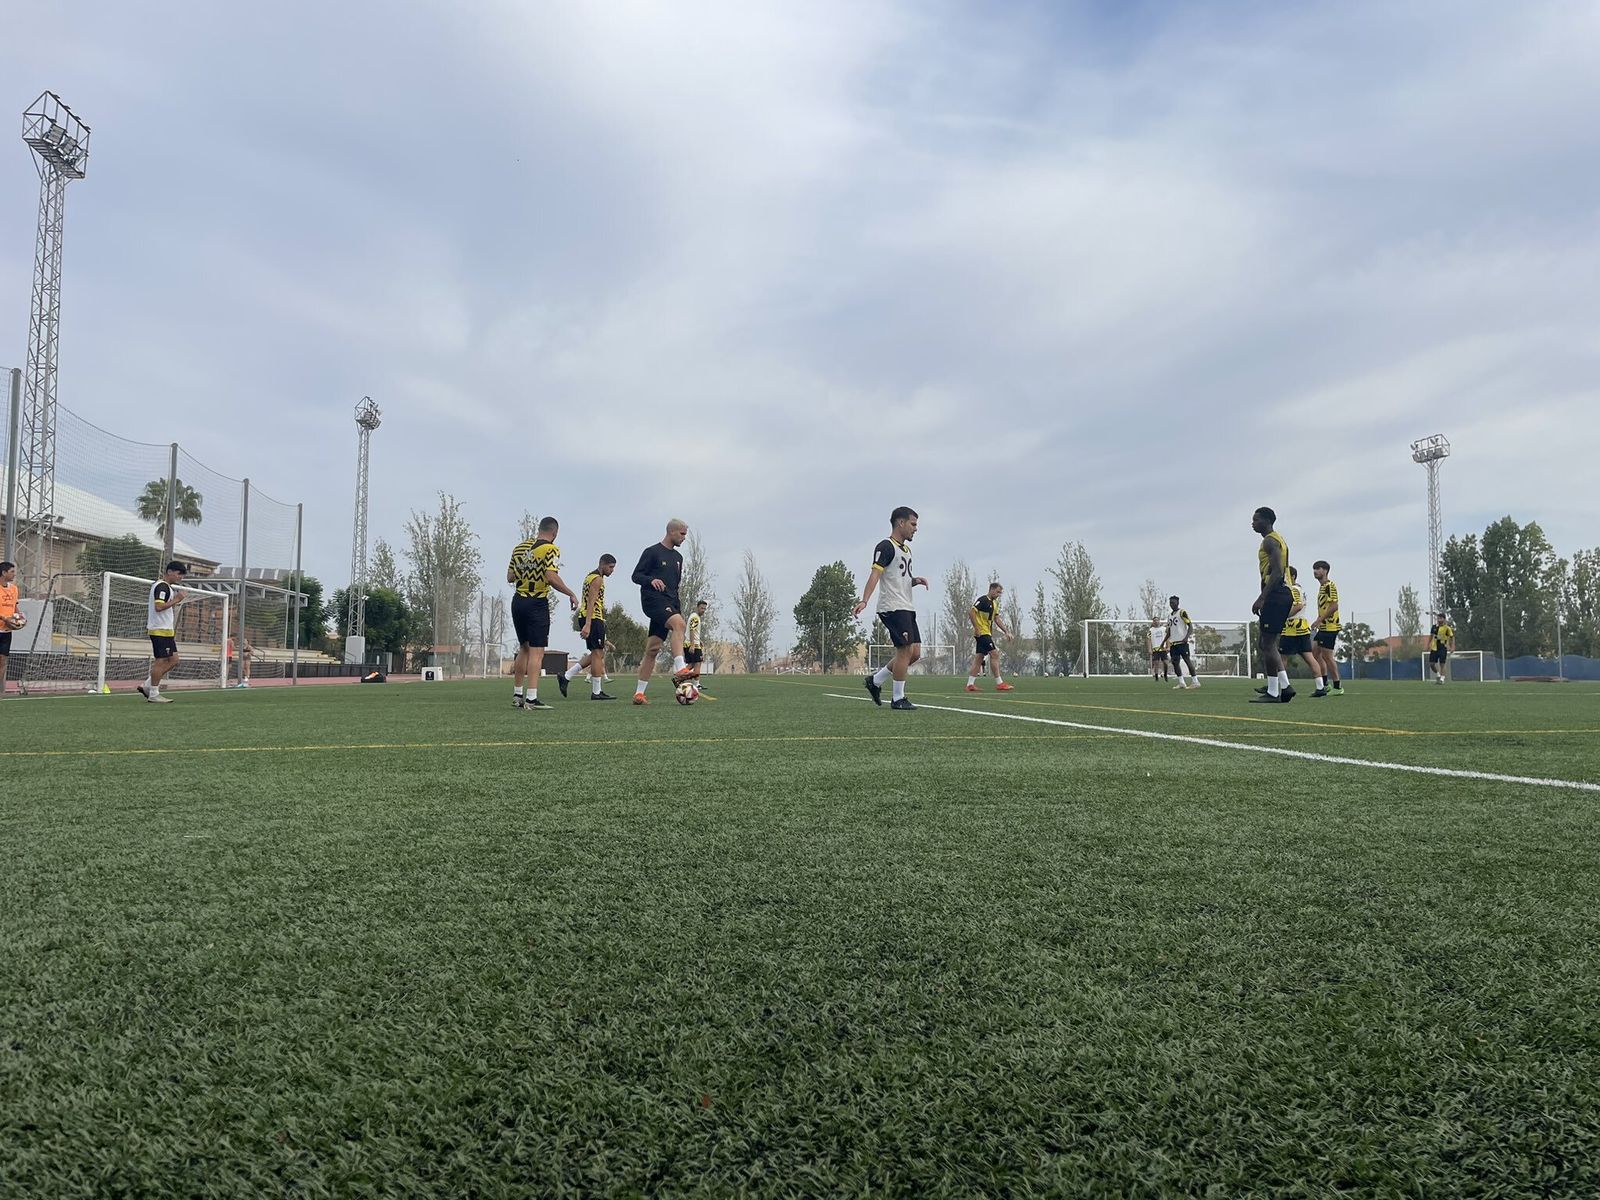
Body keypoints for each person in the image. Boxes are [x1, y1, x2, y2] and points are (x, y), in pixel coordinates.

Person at [854, 506, 929, 711]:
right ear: (901, 523)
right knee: (904, 650)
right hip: (893, 606)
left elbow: (898, 577)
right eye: (913, 524)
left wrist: (914, 581)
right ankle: (898, 698)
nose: (915, 529)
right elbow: (876, 575)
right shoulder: (885, 546)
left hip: (907, 605)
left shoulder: (906, 550)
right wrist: (864, 600)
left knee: (914, 653)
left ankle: (875, 681)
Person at [507, 516, 578, 710]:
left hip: (518, 601)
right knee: (537, 652)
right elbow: (551, 576)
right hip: (536, 602)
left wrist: (527, 570)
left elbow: (510, 577)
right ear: (554, 533)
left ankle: (517, 694)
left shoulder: (520, 548)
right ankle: (531, 699)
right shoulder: (551, 549)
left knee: (524, 648)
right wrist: (570, 593)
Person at [630, 519, 696, 704]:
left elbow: (675, 587)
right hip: (653, 601)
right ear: (672, 532)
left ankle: (639, 694)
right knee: (679, 624)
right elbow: (636, 575)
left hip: (670, 602)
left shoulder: (678, 558)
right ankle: (680, 668)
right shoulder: (652, 552)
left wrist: (677, 608)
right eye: (682, 534)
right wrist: (650, 580)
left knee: (652, 649)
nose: (684, 538)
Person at [1249, 507, 1295, 703]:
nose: (1253, 523)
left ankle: (1274, 692)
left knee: (1267, 644)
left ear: (1267, 521)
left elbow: (1276, 572)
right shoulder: (1277, 538)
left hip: (1276, 594)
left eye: (1256, 519)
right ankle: (1285, 687)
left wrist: (1262, 597)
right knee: (1266, 643)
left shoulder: (1270, 541)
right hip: (1282, 594)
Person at [559, 554, 618, 700]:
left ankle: (566, 676)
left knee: (596, 653)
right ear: (602, 564)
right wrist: (588, 624)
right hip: (592, 617)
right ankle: (596, 692)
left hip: (592, 617)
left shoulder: (590, 576)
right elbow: (591, 602)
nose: (612, 571)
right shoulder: (597, 579)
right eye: (610, 567)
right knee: (598, 654)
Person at [138, 561, 190, 703]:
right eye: (179, 574)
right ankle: (154, 693)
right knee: (161, 661)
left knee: (174, 660)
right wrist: (178, 599)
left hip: (166, 630)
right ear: (169, 572)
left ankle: (147, 685)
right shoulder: (162, 587)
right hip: (159, 630)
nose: (180, 578)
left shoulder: (166, 587)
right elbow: (159, 607)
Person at [1270, 568, 1323, 693]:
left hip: (1292, 628)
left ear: (1292, 576)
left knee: (1282, 658)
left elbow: (1298, 606)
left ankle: (1280, 686)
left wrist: (1283, 616)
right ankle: (1320, 687)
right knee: (1309, 658)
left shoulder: (1293, 589)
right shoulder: (1300, 589)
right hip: (1302, 627)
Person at [966, 582, 1015, 692]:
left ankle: (970, 685)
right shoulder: (983, 600)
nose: (998, 594)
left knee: (979, 658)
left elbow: (997, 619)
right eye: (997, 592)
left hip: (987, 632)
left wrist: (1006, 631)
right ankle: (1000, 683)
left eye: (1000, 593)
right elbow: (971, 612)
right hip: (982, 633)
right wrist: (977, 628)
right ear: (991, 589)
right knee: (994, 653)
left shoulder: (995, 604)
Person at [1310, 560, 1344, 696]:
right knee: (1315, 653)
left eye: (1318, 568)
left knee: (1327, 656)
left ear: (1325, 571)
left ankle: (1337, 686)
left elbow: (1334, 605)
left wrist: (1319, 620)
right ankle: (1325, 684)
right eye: (1314, 569)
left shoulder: (1330, 585)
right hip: (1324, 627)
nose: (1315, 571)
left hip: (1330, 626)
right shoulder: (1322, 587)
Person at [1167, 596, 1201, 690]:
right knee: (1175, 663)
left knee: (1187, 661)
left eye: (1173, 602)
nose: (1171, 604)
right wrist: (1164, 642)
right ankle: (1181, 682)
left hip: (1182, 642)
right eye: (1170, 603)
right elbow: (1169, 631)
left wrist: (1186, 637)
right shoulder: (1170, 616)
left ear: (1177, 603)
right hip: (1174, 643)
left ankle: (1195, 681)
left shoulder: (1182, 612)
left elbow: (1190, 626)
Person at [0, 561, 17, 699]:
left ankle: (0, 692)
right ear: (4, 573)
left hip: (6, 631)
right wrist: (4, 618)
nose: (14, 574)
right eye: (12, 571)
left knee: (3, 661)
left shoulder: (14, 589)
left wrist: (20, 618)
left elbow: (14, 607)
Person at [1428, 612, 1455, 684]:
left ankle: (1442, 679)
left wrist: (1452, 647)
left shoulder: (1447, 628)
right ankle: (1438, 674)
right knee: (1431, 664)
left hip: (1443, 647)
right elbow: (1431, 636)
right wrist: (1428, 644)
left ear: (1444, 619)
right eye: (1438, 618)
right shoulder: (1434, 627)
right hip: (1434, 647)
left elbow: (1452, 637)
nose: (1439, 620)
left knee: (1442, 663)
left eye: (1441, 618)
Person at [1148, 616, 1169, 683]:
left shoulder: (1164, 629)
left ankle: (1165, 674)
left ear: (1159, 621)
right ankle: (1156, 676)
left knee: (1165, 663)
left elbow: (1168, 638)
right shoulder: (1151, 630)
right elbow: (1148, 640)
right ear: (1153, 622)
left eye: (1157, 620)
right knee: (1156, 663)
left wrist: (1168, 647)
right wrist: (1149, 649)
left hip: (1163, 648)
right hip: (1155, 649)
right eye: (1154, 620)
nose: (1156, 621)